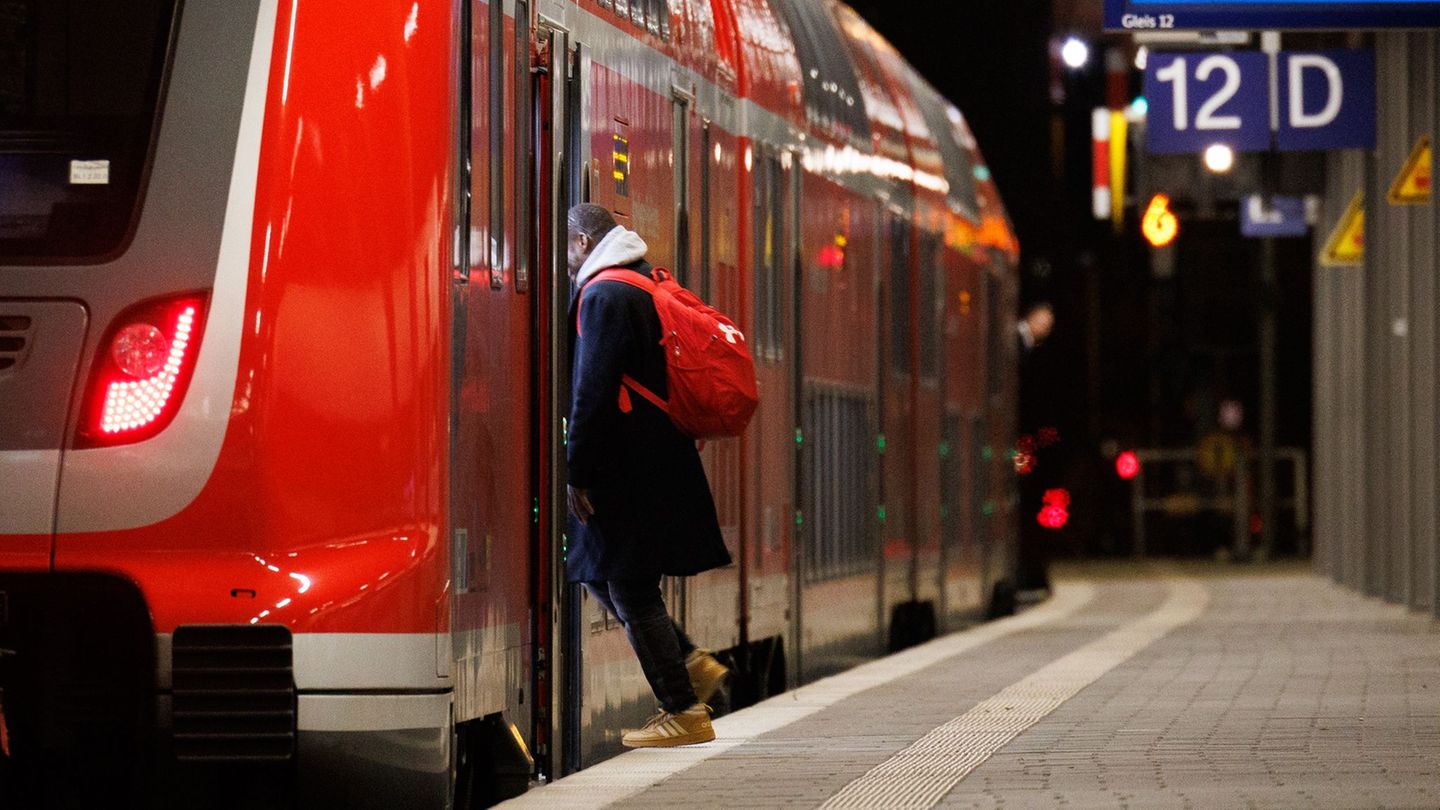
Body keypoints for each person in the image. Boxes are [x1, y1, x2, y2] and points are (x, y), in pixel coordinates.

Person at [564, 203, 732, 748]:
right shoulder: (638, 283)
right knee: (596, 570)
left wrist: (577, 471)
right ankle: (687, 665)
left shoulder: (604, 294)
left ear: (585, 242)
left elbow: (592, 390)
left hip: (626, 464)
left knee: (629, 584)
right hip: (652, 457)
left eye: (568, 248)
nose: (566, 264)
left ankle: (684, 709)